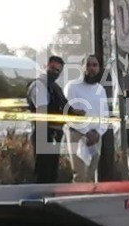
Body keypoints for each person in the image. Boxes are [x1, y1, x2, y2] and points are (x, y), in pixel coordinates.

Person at [64, 55, 110, 183]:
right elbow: (70, 114)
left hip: (95, 137)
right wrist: (86, 133)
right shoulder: (72, 87)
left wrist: (98, 133)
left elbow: (105, 115)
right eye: (88, 65)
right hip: (76, 134)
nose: (91, 68)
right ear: (82, 67)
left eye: (95, 65)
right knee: (80, 175)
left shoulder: (100, 89)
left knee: (90, 174)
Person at [26, 56, 70, 183]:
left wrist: (75, 113)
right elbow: (42, 109)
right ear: (46, 66)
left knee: (52, 171)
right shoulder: (38, 85)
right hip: (43, 133)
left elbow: (64, 104)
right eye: (52, 68)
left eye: (58, 70)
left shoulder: (55, 87)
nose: (54, 72)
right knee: (42, 171)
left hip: (55, 133)